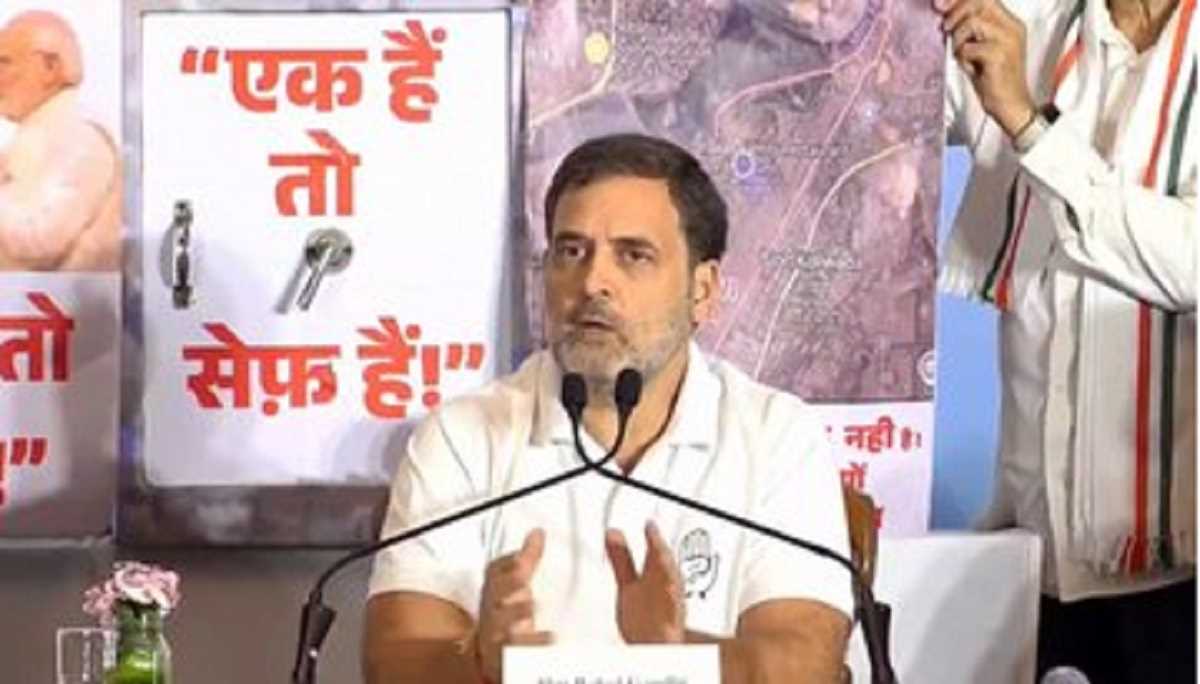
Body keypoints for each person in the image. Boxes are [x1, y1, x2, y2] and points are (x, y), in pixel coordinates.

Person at [364, 134, 853, 683]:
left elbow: (808, 666)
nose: (593, 282)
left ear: (703, 290)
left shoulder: (776, 436)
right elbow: (393, 663)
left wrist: (676, 653)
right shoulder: (463, 436)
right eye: (571, 252)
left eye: (633, 255)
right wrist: (480, 663)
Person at [936, 0, 1196, 681]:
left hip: (1174, 581)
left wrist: (1029, 126)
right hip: (1027, 560)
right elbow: (881, 92)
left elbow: (1189, 262)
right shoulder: (1027, 21)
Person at [0, 10, 120, 272]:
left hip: (52, 296)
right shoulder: (44, 132)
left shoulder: (81, 136)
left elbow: (41, 240)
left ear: (50, 68)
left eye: (4, 62)